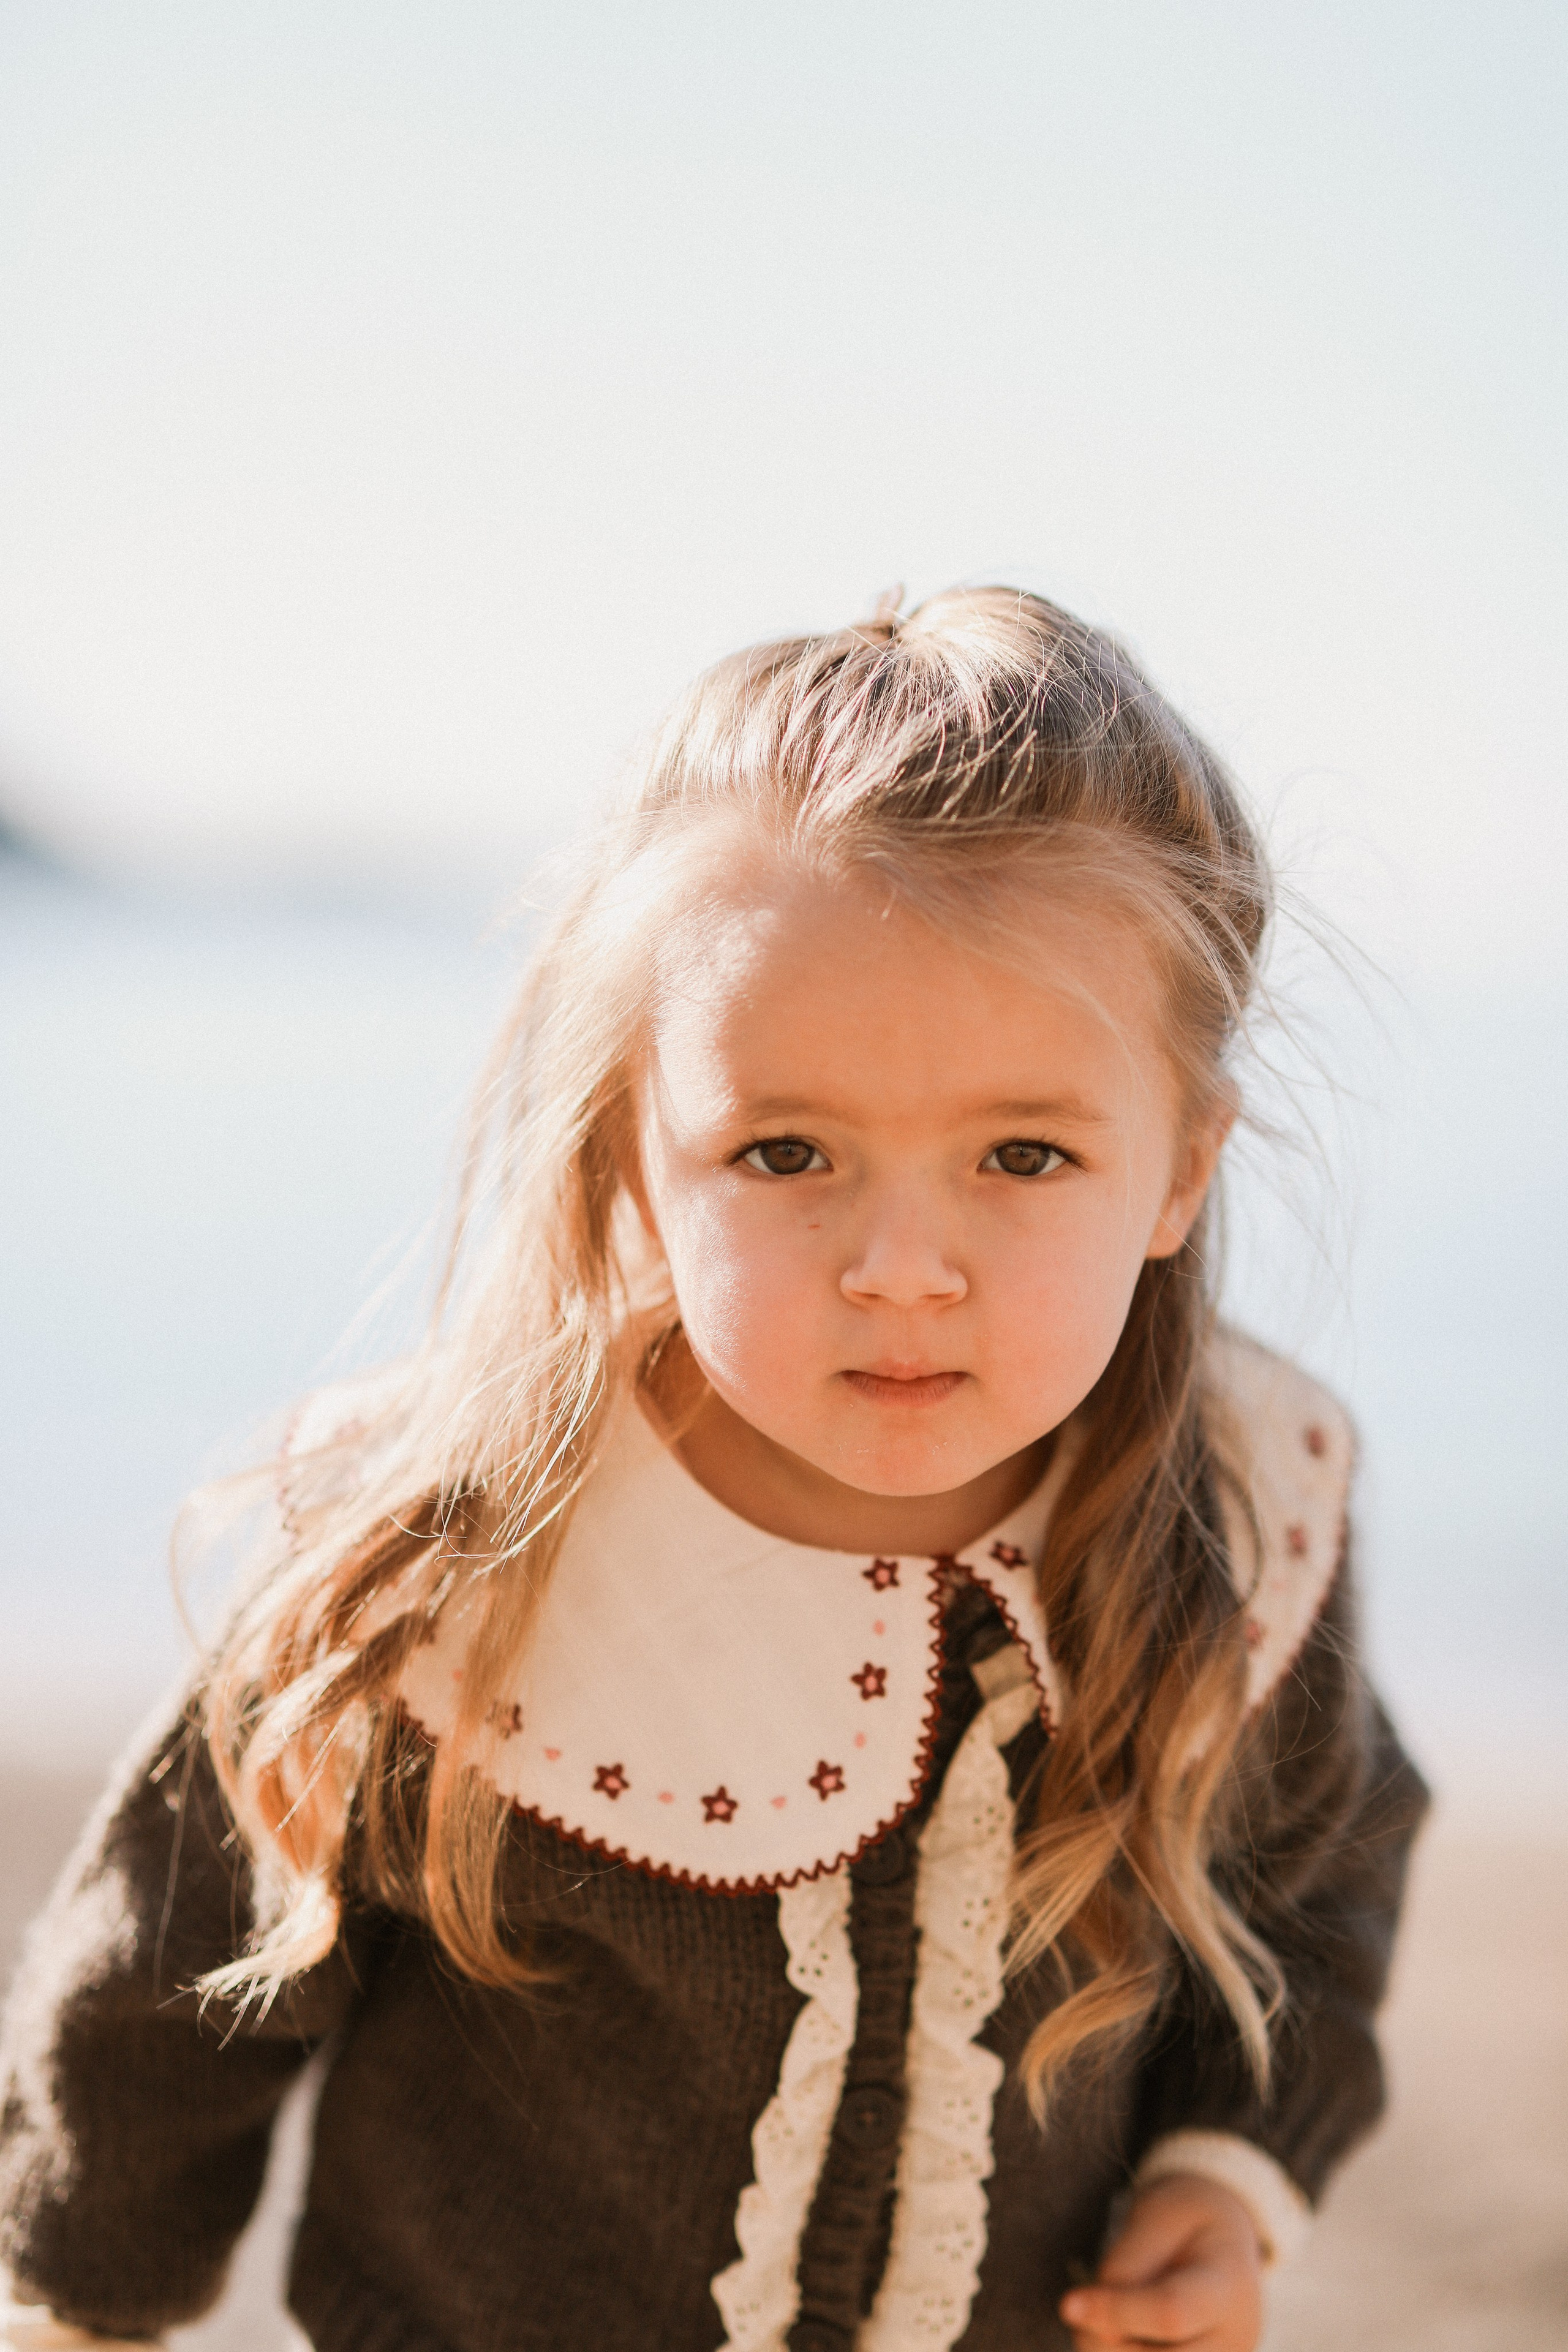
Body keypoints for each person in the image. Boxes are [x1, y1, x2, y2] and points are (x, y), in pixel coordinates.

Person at [0, 589, 1428, 2352]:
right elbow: (160, 1994)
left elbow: (1316, 1874)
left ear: (1184, 1167)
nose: (905, 1263)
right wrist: (87, 2310)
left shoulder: (1228, 1512)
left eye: (1027, 1154)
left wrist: (1229, 2172)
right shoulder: (462, 1553)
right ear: (629, 1165)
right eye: (787, 1149)